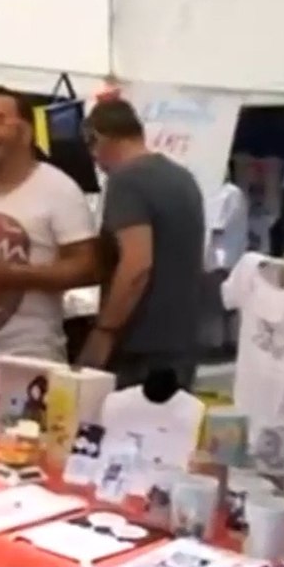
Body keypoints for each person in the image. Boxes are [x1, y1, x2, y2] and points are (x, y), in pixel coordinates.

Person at [0, 87, 99, 362]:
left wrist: (11, 275)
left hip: (29, 359)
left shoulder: (59, 189)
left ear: (26, 133)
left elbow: (87, 268)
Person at [79, 96, 206, 389]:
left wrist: (104, 332)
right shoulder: (183, 178)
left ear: (97, 138)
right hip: (181, 343)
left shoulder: (126, 181)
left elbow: (137, 266)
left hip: (140, 348)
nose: (96, 162)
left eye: (93, 151)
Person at [204, 178, 248, 353]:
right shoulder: (235, 193)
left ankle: (218, 343)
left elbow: (217, 225)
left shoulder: (225, 193)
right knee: (228, 302)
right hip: (232, 254)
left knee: (219, 302)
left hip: (221, 256)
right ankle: (229, 341)